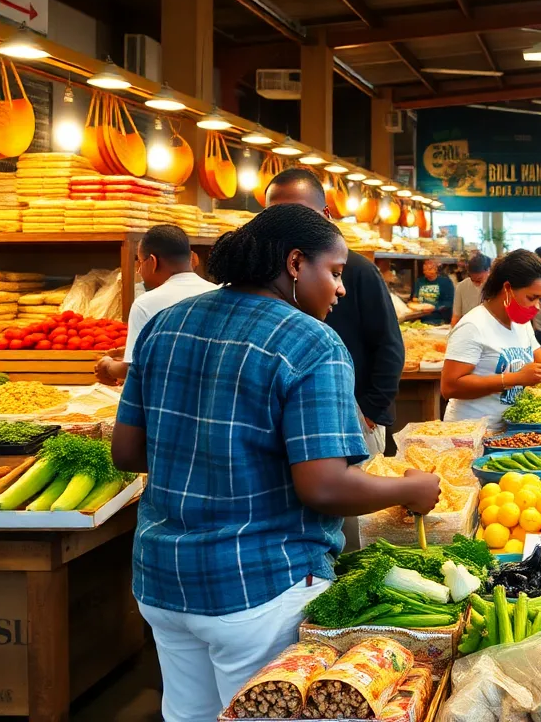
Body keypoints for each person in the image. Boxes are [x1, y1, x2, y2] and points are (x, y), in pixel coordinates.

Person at [112, 205, 441, 722]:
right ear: (294, 264)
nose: (341, 289)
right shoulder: (311, 342)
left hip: (162, 579)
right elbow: (324, 486)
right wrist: (409, 489)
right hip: (258, 585)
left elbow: (126, 452)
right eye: (334, 272)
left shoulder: (166, 323)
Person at [265, 169, 404, 458]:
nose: (286, 226)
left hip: (354, 419)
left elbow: (389, 345)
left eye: (299, 213)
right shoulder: (265, 276)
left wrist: (369, 412)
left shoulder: (360, 271)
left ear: (326, 214)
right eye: (274, 216)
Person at [441, 250, 541, 426]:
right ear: (507, 289)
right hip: (471, 432)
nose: (537, 307)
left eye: (540, 298)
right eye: (531, 298)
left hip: (508, 431)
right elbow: (450, 387)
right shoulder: (472, 326)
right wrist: (514, 379)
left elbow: (539, 363)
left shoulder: (522, 324)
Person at [95, 225, 216, 386]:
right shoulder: (219, 293)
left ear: (152, 261)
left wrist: (107, 366)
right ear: (193, 258)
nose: (139, 271)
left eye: (140, 262)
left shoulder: (146, 303)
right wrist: (130, 349)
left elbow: (134, 368)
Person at [451, 254, 491, 327]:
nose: (477, 284)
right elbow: (456, 316)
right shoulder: (461, 286)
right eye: (473, 280)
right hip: (467, 327)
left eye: (479, 280)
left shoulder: (496, 287)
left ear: (488, 270)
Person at [413, 259, 454, 325]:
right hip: (419, 319)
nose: (426, 272)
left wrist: (434, 308)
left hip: (438, 320)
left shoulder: (446, 282)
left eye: (429, 269)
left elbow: (449, 302)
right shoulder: (419, 281)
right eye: (424, 270)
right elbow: (414, 297)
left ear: (436, 269)